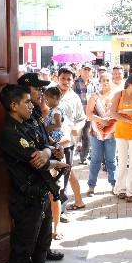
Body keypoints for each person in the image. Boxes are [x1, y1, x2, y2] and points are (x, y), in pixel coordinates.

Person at [0, 84, 66, 263]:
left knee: (43, 239)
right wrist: (53, 159)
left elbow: (44, 147)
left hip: (41, 192)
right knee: (22, 247)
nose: (32, 104)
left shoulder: (29, 122)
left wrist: (48, 152)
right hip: (26, 197)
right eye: (26, 102)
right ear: (13, 105)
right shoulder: (10, 132)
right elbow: (35, 160)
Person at [17, 74, 66, 258]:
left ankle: (43, 251)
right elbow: (33, 148)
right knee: (32, 225)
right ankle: (31, 261)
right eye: (37, 89)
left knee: (45, 219)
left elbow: (43, 137)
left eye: (42, 89)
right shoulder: (23, 114)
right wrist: (48, 153)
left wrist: (54, 147)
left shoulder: (36, 111)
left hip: (44, 172)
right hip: (31, 176)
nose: (41, 93)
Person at [111, 74, 132, 202]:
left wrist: (122, 112)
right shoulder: (118, 94)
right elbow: (112, 113)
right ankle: (120, 189)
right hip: (121, 132)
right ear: (129, 83)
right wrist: (129, 121)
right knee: (121, 162)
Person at [56, 66, 87, 211]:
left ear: (73, 81)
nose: (65, 81)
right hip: (50, 141)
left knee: (65, 175)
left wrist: (77, 128)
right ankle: (75, 202)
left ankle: (61, 209)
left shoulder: (74, 98)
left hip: (67, 143)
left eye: (69, 79)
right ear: (57, 78)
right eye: (63, 78)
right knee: (63, 172)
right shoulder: (49, 93)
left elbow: (82, 119)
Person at [85, 72, 117, 196]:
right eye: (103, 80)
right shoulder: (94, 96)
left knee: (111, 160)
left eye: (108, 80)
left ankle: (114, 184)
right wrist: (101, 121)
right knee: (95, 160)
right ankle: (91, 186)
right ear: (100, 82)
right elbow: (88, 114)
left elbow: (118, 113)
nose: (105, 82)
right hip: (95, 132)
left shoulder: (116, 96)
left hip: (112, 132)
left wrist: (109, 121)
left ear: (111, 81)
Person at [73, 63, 97, 164]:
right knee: (74, 137)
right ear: (81, 71)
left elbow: (95, 98)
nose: (87, 72)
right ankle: (69, 157)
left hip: (88, 115)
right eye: (85, 70)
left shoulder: (93, 84)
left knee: (87, 138)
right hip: (76, 116)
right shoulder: (74, 83)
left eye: (89, 70)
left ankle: (84, 158)